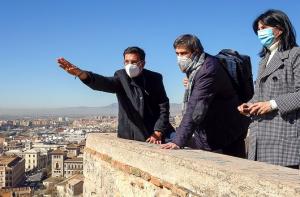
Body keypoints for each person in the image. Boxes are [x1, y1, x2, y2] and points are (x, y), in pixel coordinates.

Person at [57, 46, 174, 144]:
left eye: (133, 62)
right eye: (126, 62)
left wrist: (158, 131)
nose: (129, 65)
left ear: (142, 63)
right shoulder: (121, 76)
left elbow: (163, 106)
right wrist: (82, 74)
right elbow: (104, 83)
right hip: (132, 134)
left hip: (154, 132)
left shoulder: (155, 78)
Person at [162, 34, 249, 158]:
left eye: (183, 53)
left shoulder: (208, 70)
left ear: (195, 51)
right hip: (219, 129)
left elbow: (195, 107)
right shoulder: (199, 66)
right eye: (177, 54)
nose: (180, 58)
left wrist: (177, 141)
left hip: (226, 131)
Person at [238, 9, 300, 168]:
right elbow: (261, 95)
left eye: (264, 28)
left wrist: (272, 104)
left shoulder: (295, 55)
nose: (260, 33)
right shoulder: (263, 60)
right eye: (258, 30)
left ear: (279, 29)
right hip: (260, 137)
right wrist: (249, 105)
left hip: (283, 140)